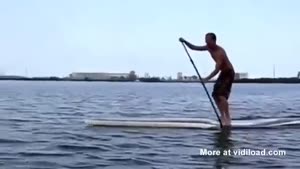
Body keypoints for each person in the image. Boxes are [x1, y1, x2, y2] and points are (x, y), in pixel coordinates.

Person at [179, 33, 235, 126]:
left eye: (208, 40)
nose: (206, 42)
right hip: (223, 73)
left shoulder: (220, 52)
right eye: (205, 40)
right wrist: (184, 41)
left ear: (213, 41)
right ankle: (222, 116)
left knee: (221, 95)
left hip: (229, 72)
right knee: (215, 95)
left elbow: (217, 69)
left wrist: (206, 79)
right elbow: (194, 48)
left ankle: (227, 118)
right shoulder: (208, 47)